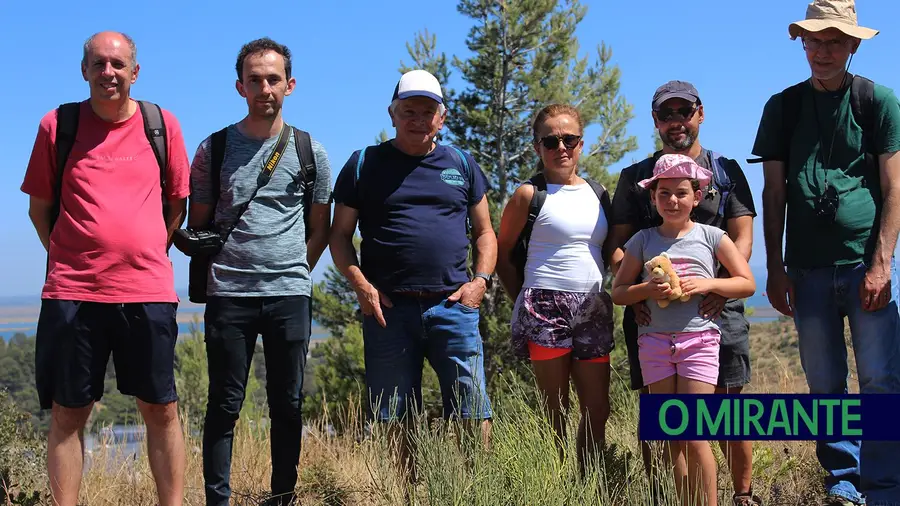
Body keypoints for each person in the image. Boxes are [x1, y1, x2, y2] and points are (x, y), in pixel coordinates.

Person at [20, 31, 190, 506]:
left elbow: (177, 203)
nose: (108, 73)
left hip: (148, 292)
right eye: (98, 64)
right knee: (67, 414)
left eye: (118, 65)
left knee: (162, 410)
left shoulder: (162, 124)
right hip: (73, 293)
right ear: (84, 70)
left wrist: (149, 251)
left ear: (135, 72)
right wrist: (70, 259)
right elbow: (40, 210)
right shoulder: (58, 126)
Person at [750, 1, 900, 504]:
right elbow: (773, 193)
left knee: (879, 379)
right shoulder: (782, 107)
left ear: (854, 44)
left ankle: (883, 487)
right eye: (814, 40)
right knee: (824, 383)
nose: (823, 50)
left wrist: (882, 262)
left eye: (835, 41)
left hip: (863, 266)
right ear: (802, 43)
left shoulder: (877, 101)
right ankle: (843, 482)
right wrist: (775, 267)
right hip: (806, 268)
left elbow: (893, 187)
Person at [329, 69, 496, 481]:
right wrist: (362, 287)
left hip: (454, 307)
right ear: (392, 113)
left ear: (442, 117)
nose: (418, 119)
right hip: (389, 311)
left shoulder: (461, 163)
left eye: (427, 111)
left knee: (472, 411)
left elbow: (486, 232)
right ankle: (408, 494)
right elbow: (339, 237)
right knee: (394, 416)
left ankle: (474, 490)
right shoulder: (364, 164)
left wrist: (480, 283)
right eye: (409, 111)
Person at [186, 37, 333, 506]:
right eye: (255, 80)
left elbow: (320, 228)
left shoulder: (312, 151)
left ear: (290, 85)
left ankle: (282, 497)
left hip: (289, 294)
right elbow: (200, 223)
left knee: (287, 405)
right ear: (239, 86)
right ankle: (217, 500)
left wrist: (293, 271)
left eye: (273, 79)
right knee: (224, 406)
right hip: (228, 294)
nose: (264, 87)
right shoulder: (214, 148)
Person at [608, 80, 761, 505]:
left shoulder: (726, 170)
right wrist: (641, 293)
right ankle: (673, 496)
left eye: (684, 112)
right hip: (653, 318)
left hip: (716, 310)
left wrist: (716, 289)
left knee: (728, 407)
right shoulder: (635, 176)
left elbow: (742, 239)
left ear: (700, 114)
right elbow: (617, 244)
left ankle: (742, 495)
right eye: (666, 114)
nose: (676, 121)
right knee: (666, 421)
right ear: (656, 120)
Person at [495, 104, 614, 474]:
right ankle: (555, 485)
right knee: (554, 408)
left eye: (569, 139)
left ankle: (589, 482)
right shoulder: (528, 195)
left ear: (581, 144)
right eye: (550, 140)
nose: (560, 147)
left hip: (593, 306)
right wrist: (525, 301)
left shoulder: (599, 192)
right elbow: (502, 254)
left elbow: (611, 251)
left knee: (598, 406)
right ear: (537, 147)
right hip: (544, 305)